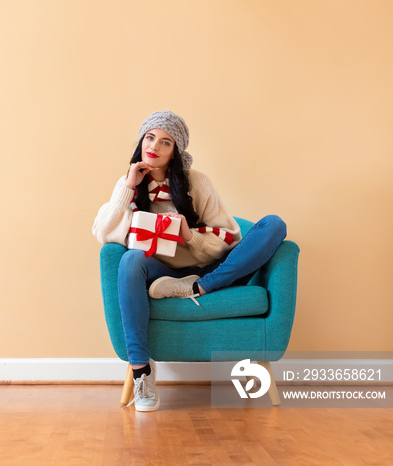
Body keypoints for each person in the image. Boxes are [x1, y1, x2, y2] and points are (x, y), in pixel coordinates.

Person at [92, 110, 287, 412]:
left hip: (210, 269)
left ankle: (199, 287)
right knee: (130, 260)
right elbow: (103, 234)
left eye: (165, 142)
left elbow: (230, 239)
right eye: (150, 137)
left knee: (274, 224)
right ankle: (142, 372)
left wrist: (190, 236)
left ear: (175, 152)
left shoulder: (197, 183)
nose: (154, 146)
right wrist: (127, 186)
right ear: (141, 141)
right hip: (161, 272)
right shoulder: (129, 185)